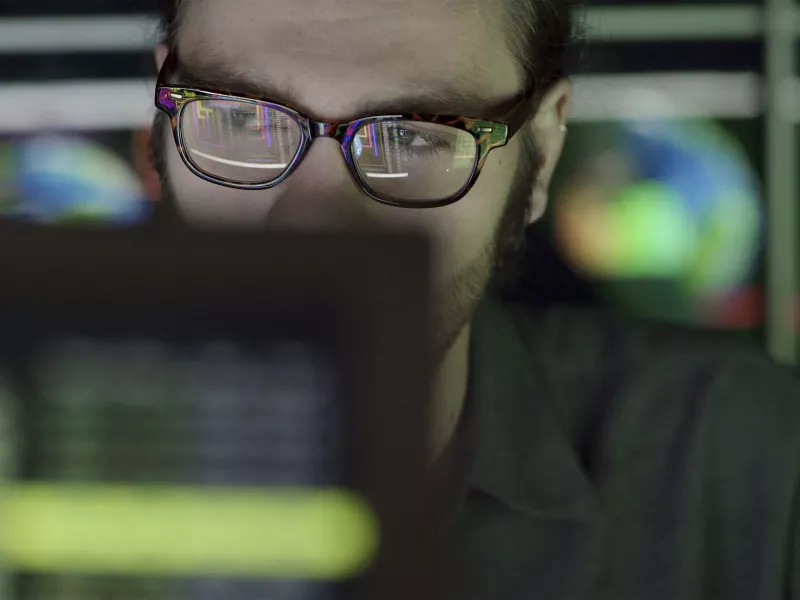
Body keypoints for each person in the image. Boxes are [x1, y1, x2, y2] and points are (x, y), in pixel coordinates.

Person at [148, 0, 800, 597]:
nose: (313, 226)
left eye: (415, 135)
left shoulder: (756, 462)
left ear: (540, 155)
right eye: (240, 118)